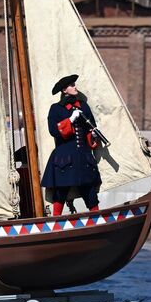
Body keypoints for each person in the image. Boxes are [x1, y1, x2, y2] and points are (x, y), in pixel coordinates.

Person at [42, 74, 101, 215]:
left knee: (90, 193)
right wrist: (70, 120)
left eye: (74, 85)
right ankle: (55, 222)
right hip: (65, 158)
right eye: (72, 85)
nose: (75, 87)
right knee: (60, 192)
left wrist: (93, 135)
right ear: (64, 90)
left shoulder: (84, 106)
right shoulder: (56, 109)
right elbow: (53, 131)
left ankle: (97, 220)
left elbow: (90, 128)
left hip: (83, 157)